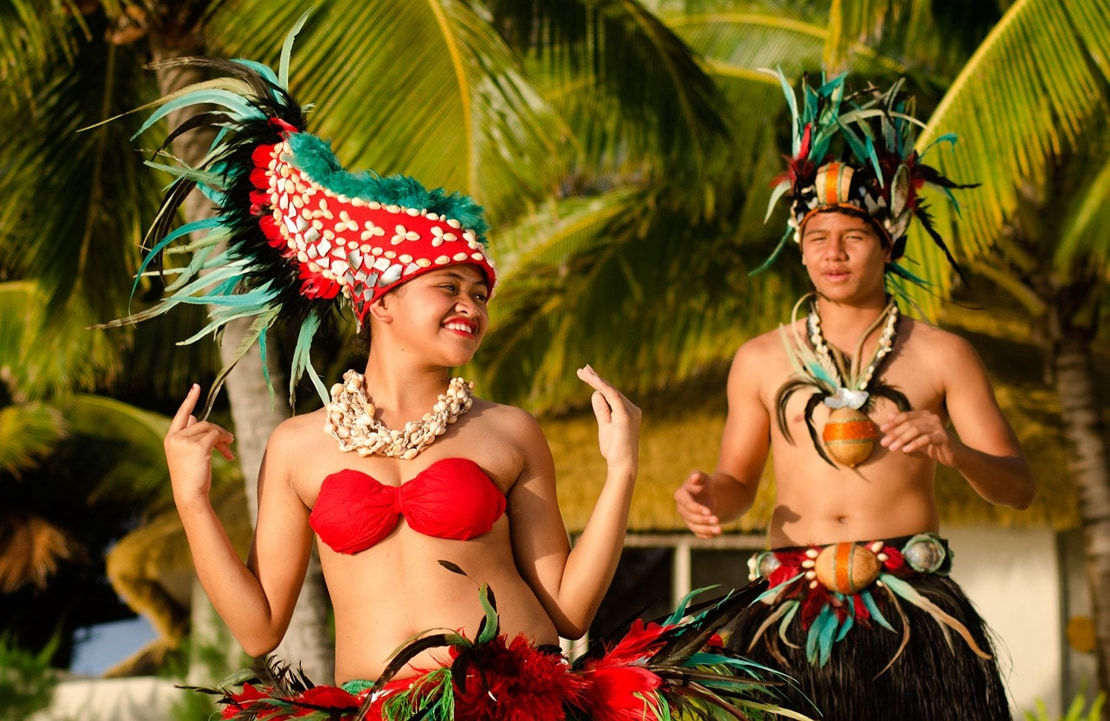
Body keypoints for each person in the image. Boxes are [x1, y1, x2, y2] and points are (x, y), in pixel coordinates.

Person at [104, 18, 802, 721]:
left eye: (479, 292)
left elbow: (567, 609)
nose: (471, 305)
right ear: (380, 299)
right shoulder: (297, 446)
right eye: (449, 287)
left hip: (513, 704)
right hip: (374, 705)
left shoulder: (506, 431)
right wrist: (192, 498)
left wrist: (621, 469)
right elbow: (260, 627)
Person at [673, 71, 1035, 721]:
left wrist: (954, 450)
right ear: (799, 247)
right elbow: (737, 481)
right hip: (789, 612)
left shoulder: (943, 354)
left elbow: (1018, 486)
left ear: (888, 241)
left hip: (912, 615)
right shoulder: (759, 359)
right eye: (817, 238)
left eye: (854, 236)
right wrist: (708, 495)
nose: (832, 253)